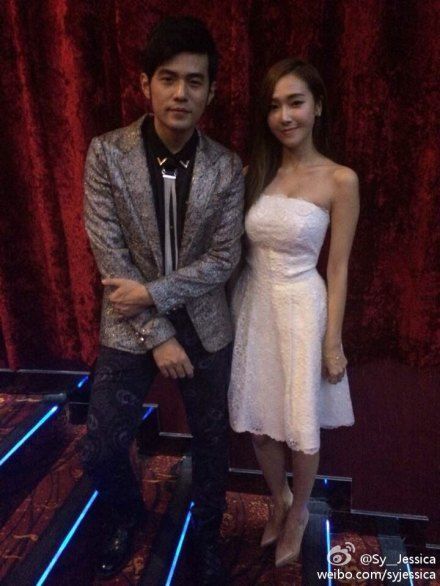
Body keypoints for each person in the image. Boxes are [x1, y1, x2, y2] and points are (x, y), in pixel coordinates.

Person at [81, 16, 244, 583]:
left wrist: (154, 293)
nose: (181, 93)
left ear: (211, 91)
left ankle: (206, 539)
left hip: (205, 321)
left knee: (214, 443)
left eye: (194, 81)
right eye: (168, 79)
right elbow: (110, 255)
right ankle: (127, 515)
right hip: (129, 323)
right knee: (102, 447)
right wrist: (158, 332)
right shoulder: (107, 154)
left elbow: (223, 259)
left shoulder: (227, 167)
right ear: (145, 83)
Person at [228, 58, 358, 567]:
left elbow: (339, 267)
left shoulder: (340, 179)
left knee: (301, 423)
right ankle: (279, 498)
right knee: (260, 424)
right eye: (274, 106)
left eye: (295, 103)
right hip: (253, 306)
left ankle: (299, 511)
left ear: (317, 106)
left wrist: (333, 341)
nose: (284, 116)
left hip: (304, 307)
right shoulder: (254, 173)